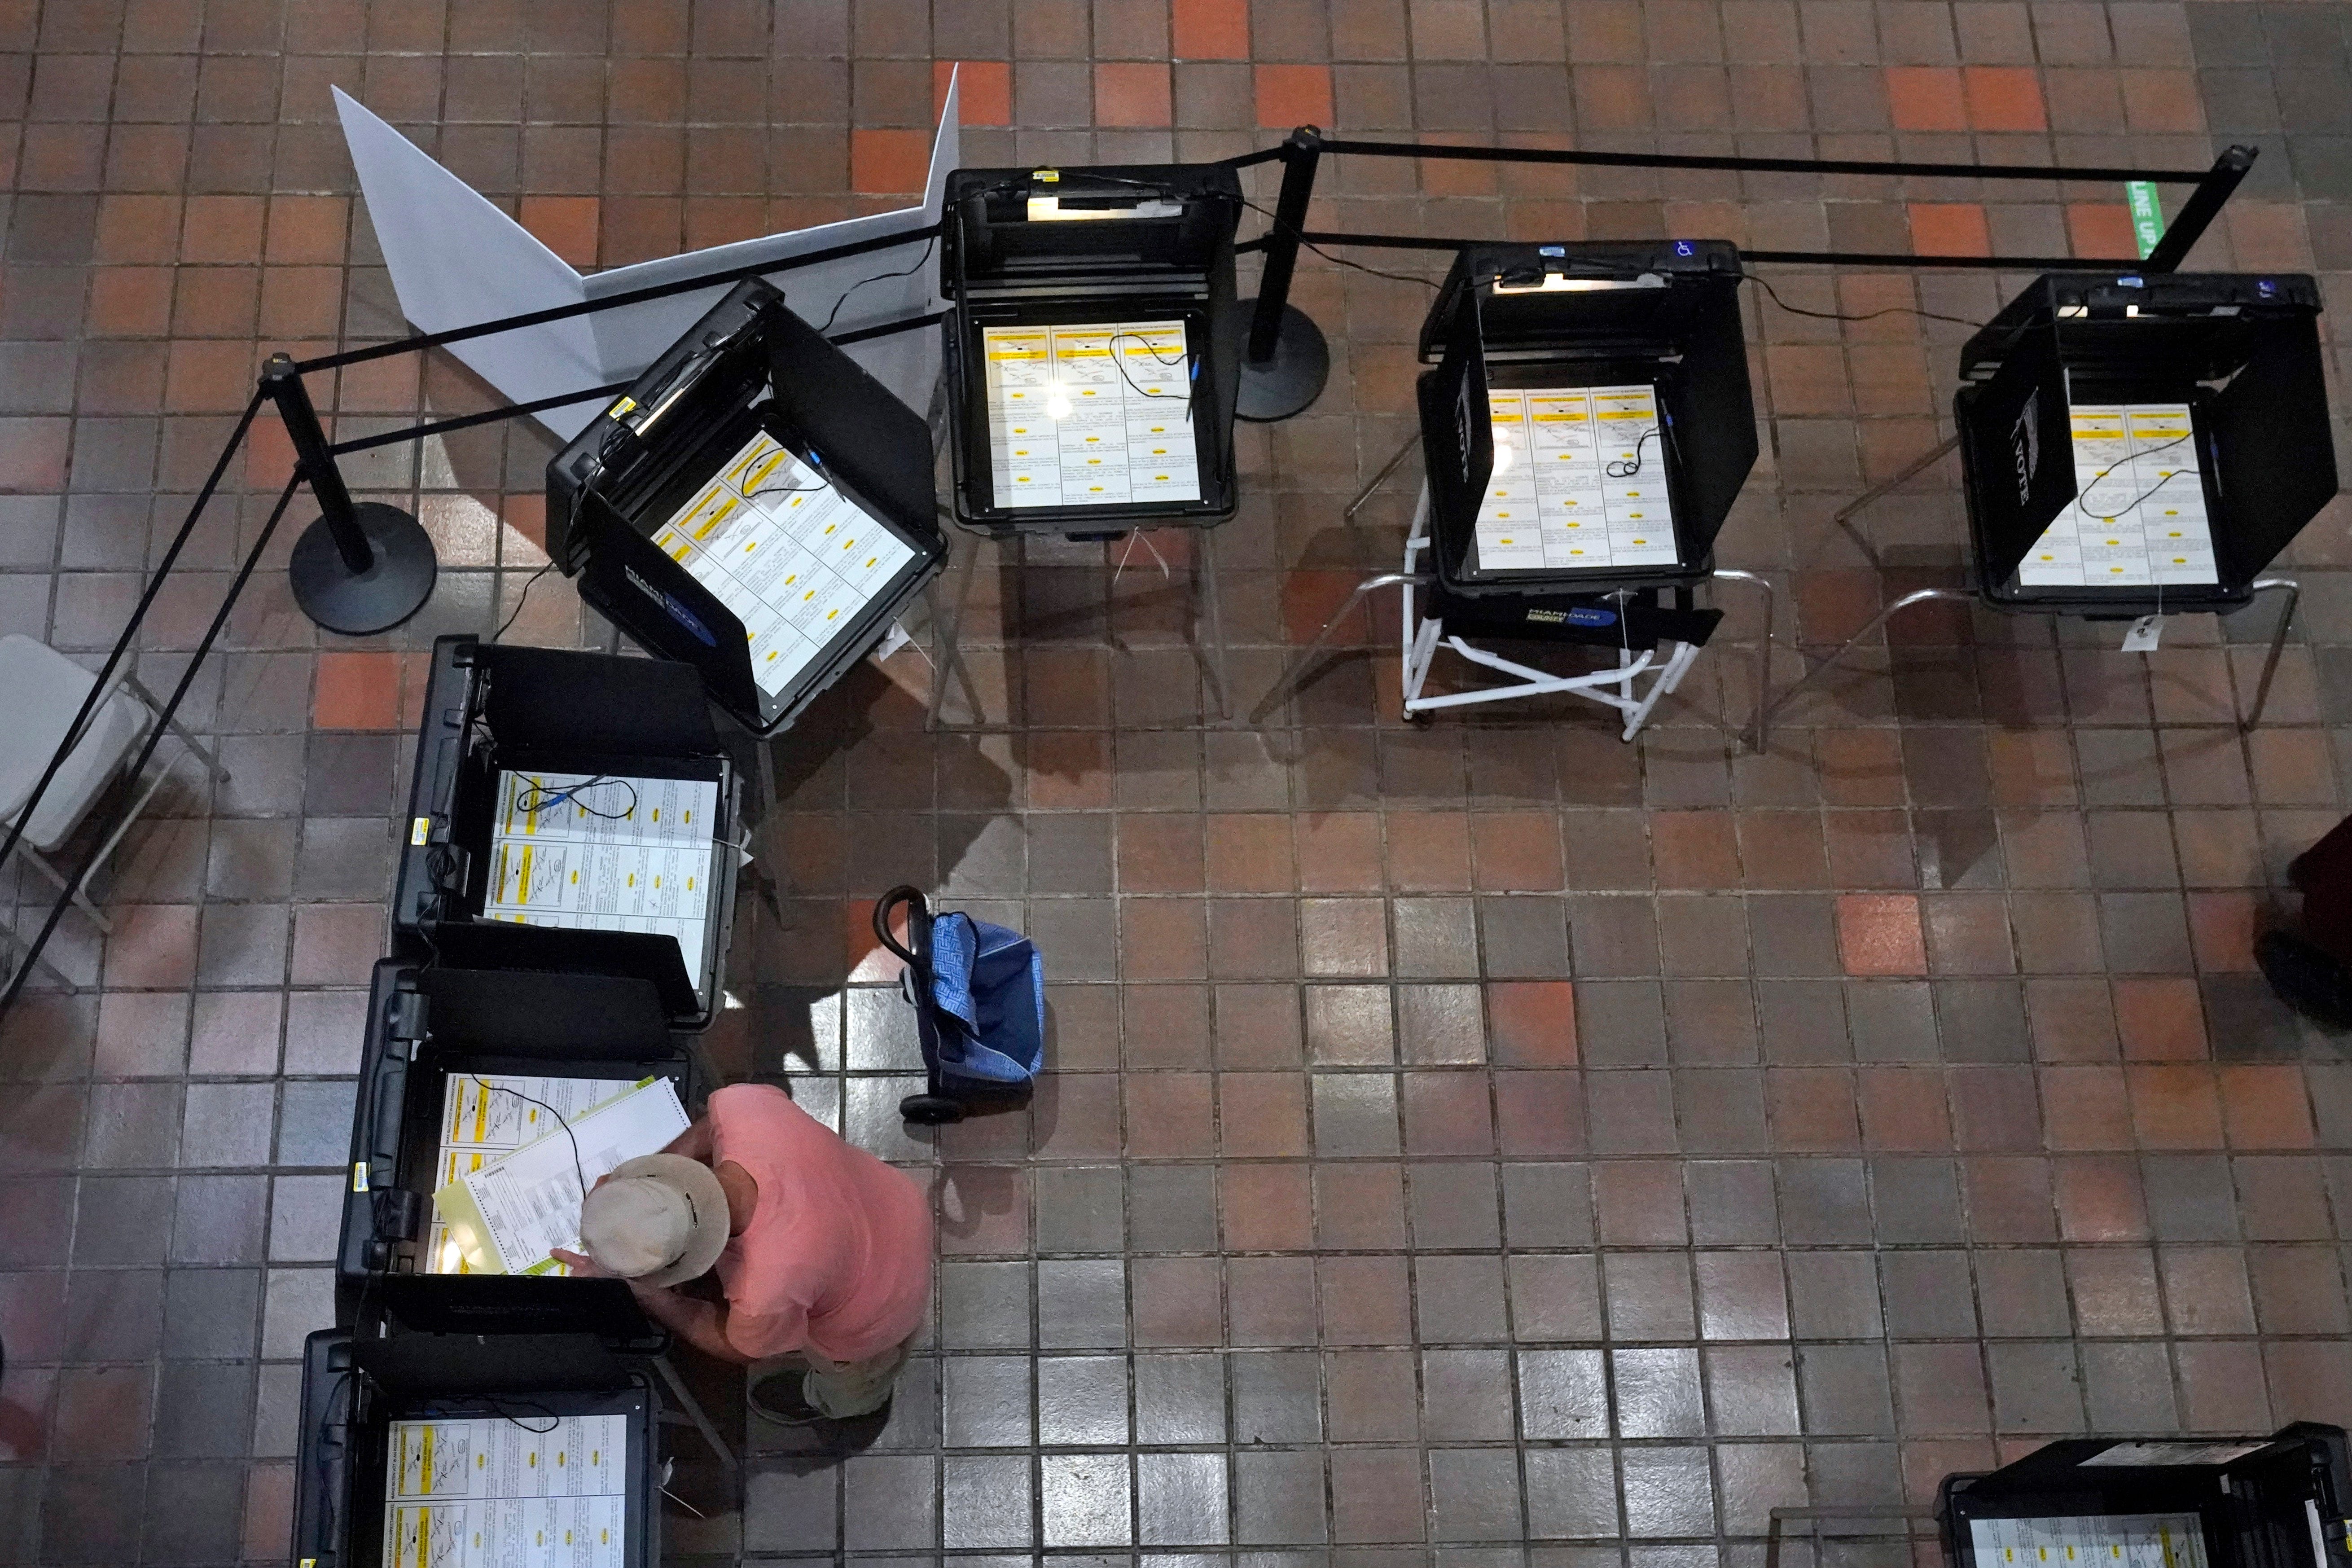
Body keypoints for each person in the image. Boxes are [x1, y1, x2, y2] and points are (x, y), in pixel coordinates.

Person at [552, 1081, 933, 1423]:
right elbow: (712, 1126)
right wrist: (651, 1186)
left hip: (886, 1307)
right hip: (897, 1204)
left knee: (854, 1375)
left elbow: (739, 1346)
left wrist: (643, 1292)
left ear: (687, 1264)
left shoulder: (764, 1289)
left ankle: (843, 1403)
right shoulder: (742, 1106)